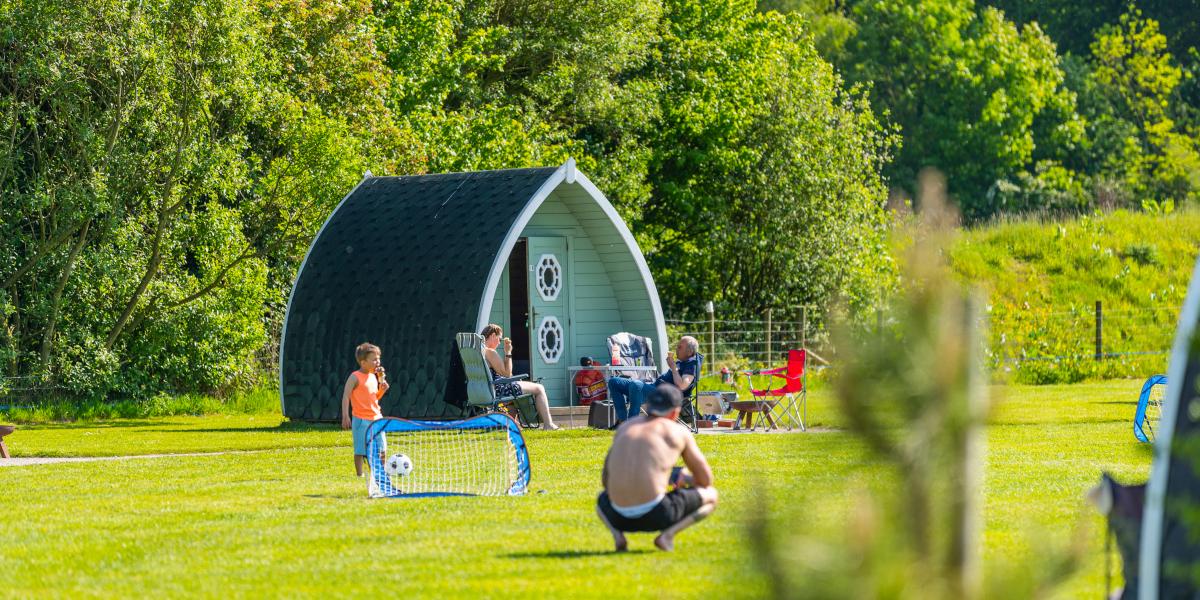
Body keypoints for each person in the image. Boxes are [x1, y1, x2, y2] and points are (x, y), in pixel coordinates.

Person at [596, 384, 718, 552]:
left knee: (601, 498)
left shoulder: (625, 427)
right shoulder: (677, 431)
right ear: (675, 412)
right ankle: (666, 537)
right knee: (712, 495)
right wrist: (683, 478)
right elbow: (706, 480)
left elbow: (606, 480)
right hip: (658, 514)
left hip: (617, 517)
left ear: (648, 406)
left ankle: (618, 536)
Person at [607, 336, 700, 427]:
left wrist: (673, 368)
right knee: (614, 382)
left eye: (680, 347)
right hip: (654, 387)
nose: (676, 349)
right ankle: (622, 421)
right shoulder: (681, 362)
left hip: (662, 394)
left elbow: (682, 385)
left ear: (689, 352)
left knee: (636, 385)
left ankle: (632, 424)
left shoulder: (691, 365)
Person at [480, 324, 560, 430]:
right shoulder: (490, 352)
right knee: (539, 388)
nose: (499, 342)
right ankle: (548, 424)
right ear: (493, 335)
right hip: (499, 389)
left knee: (512, 400)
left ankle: (513, 426)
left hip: (487, 389)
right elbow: (507, 374)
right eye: (499, 339)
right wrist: (508, 352)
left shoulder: (479, 351)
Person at [341, 342, 389, 477]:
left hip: (377, 418)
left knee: (382, 448)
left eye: (378, 359)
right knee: (361, 450)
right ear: (363, 363)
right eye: (374, 359)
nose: (378, 362)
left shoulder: (374, 377)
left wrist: (382, 390)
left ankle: (381, 472)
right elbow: (346, 396)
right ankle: (360, 474)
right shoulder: (355, 377)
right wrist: (345, 416)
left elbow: (375, 398)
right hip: (361, 420)